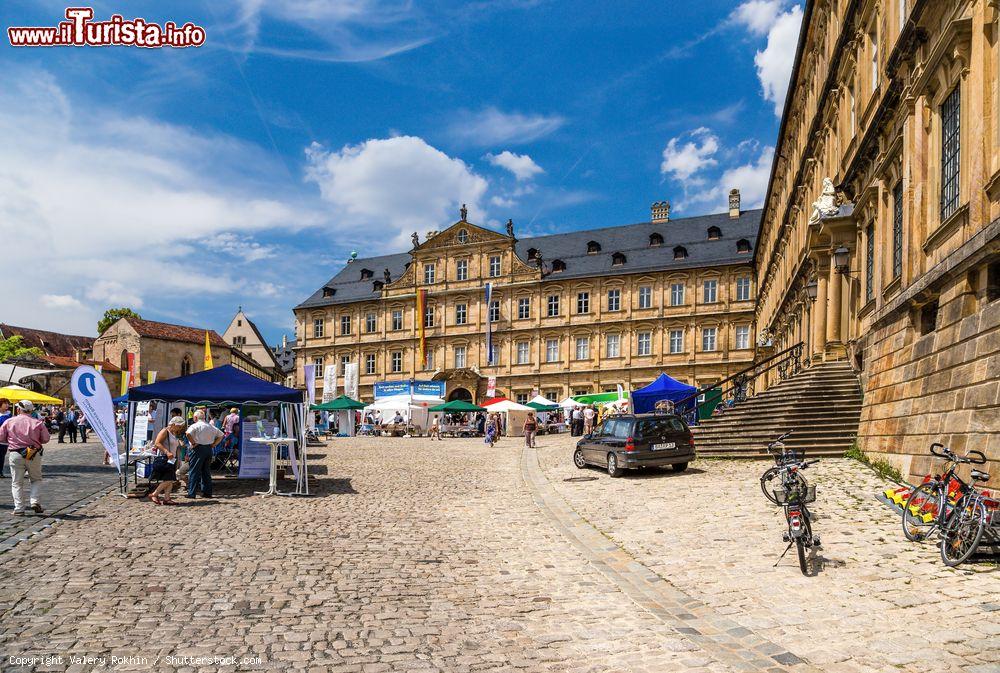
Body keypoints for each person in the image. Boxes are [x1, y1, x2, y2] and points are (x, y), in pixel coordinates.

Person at [0, 401, 50, 515]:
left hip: (16, 453)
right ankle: (35, 501)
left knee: (16, 482)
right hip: (33, 452)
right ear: (31, 410)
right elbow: (46, 439)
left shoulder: (9, 421)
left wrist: (11, 439)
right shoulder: (37, 422)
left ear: (18, 410)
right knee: (36, 479)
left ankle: (19, 508)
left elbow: (1, 437)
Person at [184, 409, 223, 499]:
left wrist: (193, 443)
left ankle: (192, 493)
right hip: (208, 449)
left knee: (194, 471)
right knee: (206, 471)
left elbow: (187, 433)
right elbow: (221, 435)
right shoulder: (210, 426)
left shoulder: (195, 425)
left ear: (195, 417)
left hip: (198, 448)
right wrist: (214, 444)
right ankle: (207, 492)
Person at [148, 417, 184, 505]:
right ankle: (154, 494)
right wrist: (167, 452)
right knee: (169, 479)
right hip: (165, 458)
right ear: (173, 424)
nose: (180, 428)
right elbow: (157, 443)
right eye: (179, 426)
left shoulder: (173, 432)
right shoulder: (165, 431)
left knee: (170, 479)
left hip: (171, 459)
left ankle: (167, 499)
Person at [0, 399, 10, 478]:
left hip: (4, 440)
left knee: (1, 456)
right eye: (5, 403)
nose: (7, 405)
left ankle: (0, 471)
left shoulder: (9, 414)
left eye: (7, 403)